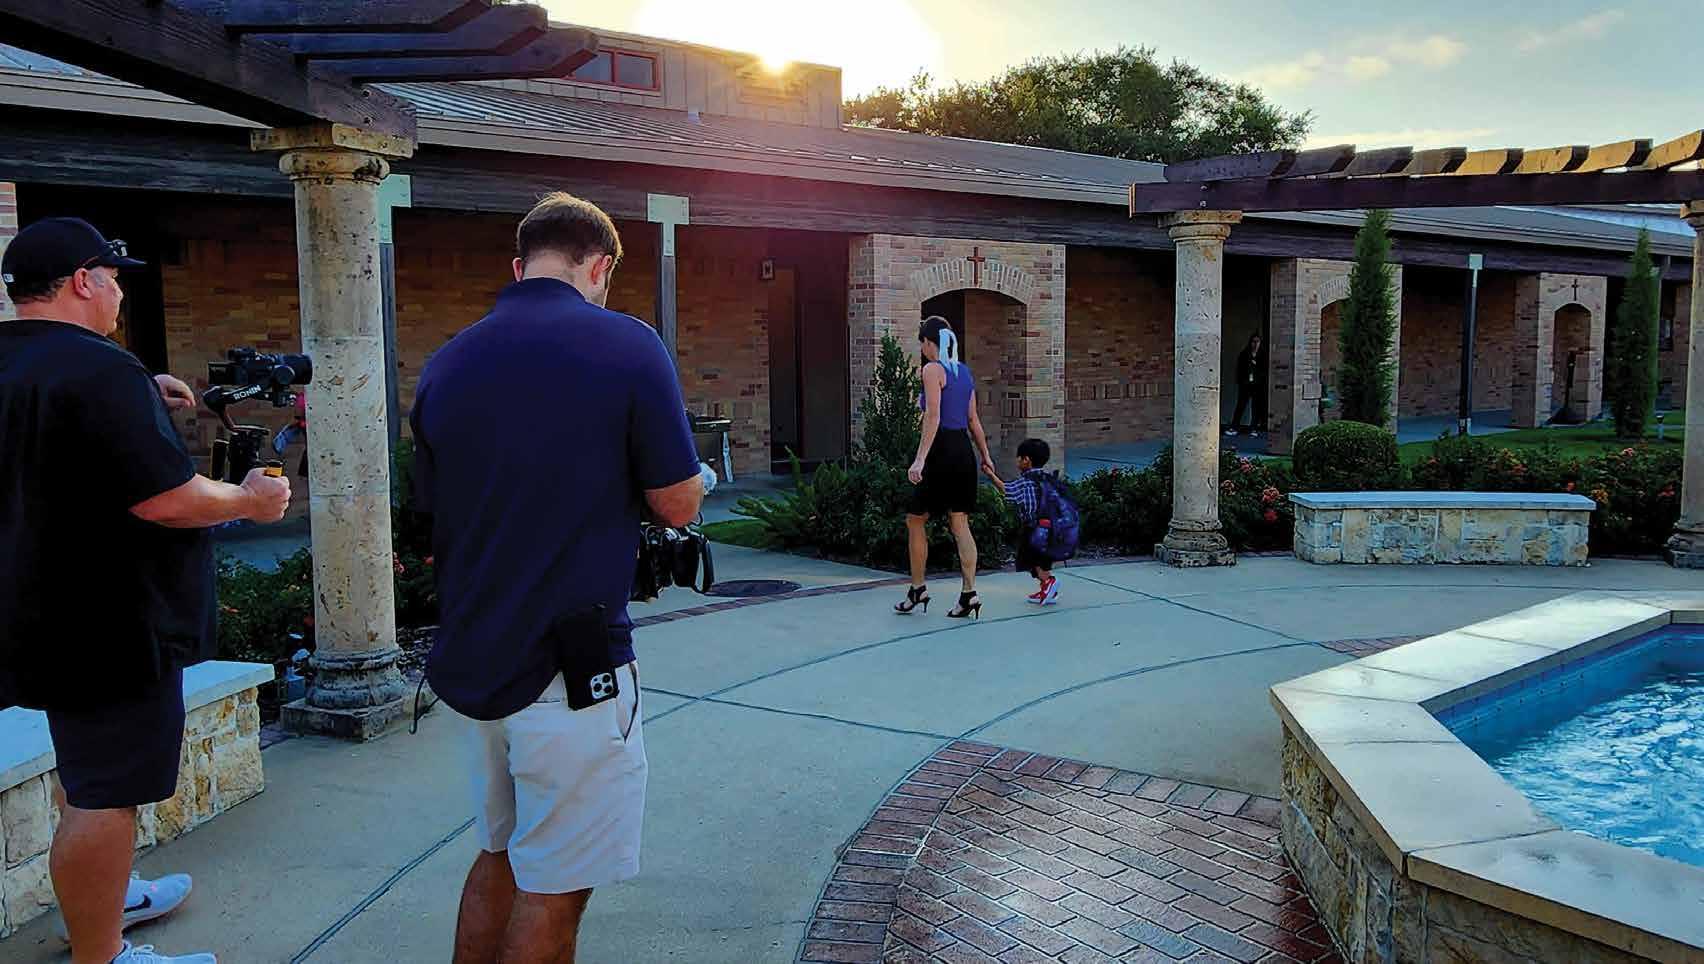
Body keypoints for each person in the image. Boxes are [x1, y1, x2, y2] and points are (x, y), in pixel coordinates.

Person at [409, 193, 705, 964]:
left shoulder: (448, 363)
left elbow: (430, 519)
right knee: (558, 888)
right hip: (573, 668)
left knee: (500, 854)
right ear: (599, 266)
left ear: (520, 266)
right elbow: (676, 503)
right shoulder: (629, 346)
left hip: (477, 658)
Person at [0, 217, 292, 964]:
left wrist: (142, 399)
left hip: (32, 612)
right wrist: (250, 500)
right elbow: (166, 500)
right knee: (106, 792)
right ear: (81, 281)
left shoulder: (23, 361)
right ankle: (102, 953)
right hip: (109, 625)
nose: (121, 292)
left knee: (85, 769)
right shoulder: (102, 372)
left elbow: (53, 440)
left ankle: (107, 900)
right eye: (113, 277)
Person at [895, 316, 993, 620]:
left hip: (941, 450)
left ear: (928, 342)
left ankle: (918, 589)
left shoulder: (932, 369)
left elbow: (933, 416)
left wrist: (920, 459)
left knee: (915, 520)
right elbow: (973, 420)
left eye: (922, 343)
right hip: (962, 449)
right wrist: (985, 456)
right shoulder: (963, 372)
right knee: (960, 523)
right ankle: (969, 594)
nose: (922, 349)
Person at [982, 438, 1061, 606]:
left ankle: (1049, 583)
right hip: (1051, 526)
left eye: (1019, 458)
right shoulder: (1048, 478)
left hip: (1034, 528)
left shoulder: (1026, 482)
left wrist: (990, 475)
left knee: (1030, 559)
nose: (1017, 461)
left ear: (1026, 460)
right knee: (1041, 559)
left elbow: (1007, 491)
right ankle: (1047, 590)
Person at [1227, 331, 1266, 437]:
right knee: (1241, 405)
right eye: (1253, 342)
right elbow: (1239, 369)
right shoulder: (1245, 354)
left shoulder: (1262, 355)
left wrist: (1258, 371)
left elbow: (1264, 370)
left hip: (1257, 385)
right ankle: (1234, 427)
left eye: (1257, 342)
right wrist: (1241, 381)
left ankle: (1253, 428)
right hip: (1245, 384)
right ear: (1250, 342)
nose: (1255, 344)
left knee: (1256, 407)